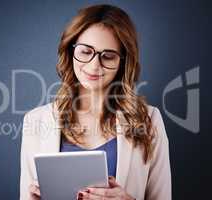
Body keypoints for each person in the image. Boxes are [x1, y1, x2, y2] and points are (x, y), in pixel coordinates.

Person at [19, 4, 171, 200]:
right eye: (85, 52)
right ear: (70, 50)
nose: (94, 66)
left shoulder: (150, 120)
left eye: (108, 56)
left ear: (123, 62)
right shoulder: (35, 120)